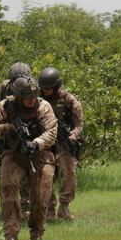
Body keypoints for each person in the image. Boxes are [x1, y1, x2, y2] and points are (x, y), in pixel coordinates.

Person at [0, 76, 57, 240]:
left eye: (33, 95)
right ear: (17, 96)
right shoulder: (3, 106)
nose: (31, 99)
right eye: (26, 96)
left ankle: (36, 233)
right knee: (7, 187)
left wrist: (36, 143)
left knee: (40, 196)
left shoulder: (43, 107)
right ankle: (10, 234)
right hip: (14, 154)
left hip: (41, 154)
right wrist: (6, 128)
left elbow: (52, 132)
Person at [0, 61, 34, 216]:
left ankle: (26, 208)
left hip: (25, 134)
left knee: (27, 171)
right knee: (4, 173)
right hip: (6, 137)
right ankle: (8, 206)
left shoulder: (30, 88)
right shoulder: (2, 88)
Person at [38, 67, 84, 220]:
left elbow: (78, 124)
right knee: (47, 176)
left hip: (65, 143)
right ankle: (50, 209)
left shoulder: (69, 100)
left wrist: (72, 136)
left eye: (48, 88)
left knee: (69, 174)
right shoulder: (37, 100)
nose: (45, 91)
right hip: (46, 143)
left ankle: (64, 207)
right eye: (42, 88)